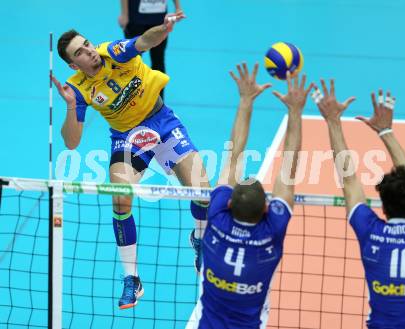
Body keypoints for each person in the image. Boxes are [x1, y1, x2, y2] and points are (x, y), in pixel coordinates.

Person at [51, 12, 209, 310]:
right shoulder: (79, 89)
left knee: (203, 193)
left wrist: (164, 28)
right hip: (129, 138)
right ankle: (131, 279)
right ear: (74, 65)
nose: (89, 52)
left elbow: (143, 41)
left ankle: (200, 239)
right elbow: (71, 142)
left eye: (87, 45)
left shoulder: (112, 52)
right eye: (80, 53)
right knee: (120, 199)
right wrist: (71, 106)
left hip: (163, 122)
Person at [186, 63, 313, 329]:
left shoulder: (217, 220)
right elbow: (288, 170)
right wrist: (295, 111)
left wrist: (245, 100)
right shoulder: (273, 231)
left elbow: (233, 158)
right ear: (267, 209)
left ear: (228, 203)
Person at [314, 81, 405, 328]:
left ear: (382, 206)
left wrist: (333, 121)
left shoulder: (371, 232)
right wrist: (385, 132)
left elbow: (348, 179)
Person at [118, 0, 182, 99]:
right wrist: (124, 14)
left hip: (159, 20)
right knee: (132, 63)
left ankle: (159, 101)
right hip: (135, 19)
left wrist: (178, 7)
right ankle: (131, 101)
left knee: (158, 62)